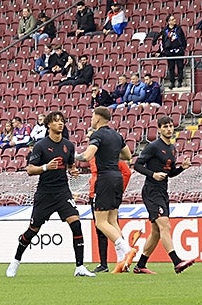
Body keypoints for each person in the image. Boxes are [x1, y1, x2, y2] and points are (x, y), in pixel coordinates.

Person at [6, 111, 93, 278]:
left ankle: (80, 267)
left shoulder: (69, 145)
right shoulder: (40, 146)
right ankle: (15, 261)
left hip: (62, 192)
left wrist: (73, 171)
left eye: (62, 121)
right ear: (48, 125)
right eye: (56, 121)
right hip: (45, 193)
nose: (60, 124)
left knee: (76, 223)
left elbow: (69, 166)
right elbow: (30, 170)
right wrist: (46, 167)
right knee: (33, 230)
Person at [122, 116, 194, 274]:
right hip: (152, 191)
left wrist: (182, 167)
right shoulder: (153, 147)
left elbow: (171, 173)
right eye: (165, 127)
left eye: (170, 126)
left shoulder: (173, 148)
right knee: (165, 226)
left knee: (155, 232)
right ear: (159, 129)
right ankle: (177, 261)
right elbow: (137, 165)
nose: (169, 129)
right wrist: (152, 174)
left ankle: (140, 265)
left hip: (162, 191)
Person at [80, 107, 132, 273]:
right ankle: (121, 261)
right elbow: (127, 155)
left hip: (105, 179)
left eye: (93, 116)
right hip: (117, 177)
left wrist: (71, 156)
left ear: (98, 118)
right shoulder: (117, 135)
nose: (91, 119)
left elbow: (87, 156)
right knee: (112, 220)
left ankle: (127, 250)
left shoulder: (97, 135)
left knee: (101, 222)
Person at [159, 16, 188, 89]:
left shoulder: (178, 28)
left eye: (174, 19)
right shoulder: (165, 30)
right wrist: (165, 50)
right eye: (172, 19)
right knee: (171, 67)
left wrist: (183, 48)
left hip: (179, 50)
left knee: (180, 67)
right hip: (169, 51)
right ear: (169, 21)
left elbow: (183, 39)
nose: (174, 20)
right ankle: (172, 82)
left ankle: (180, 81)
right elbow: (163, 41)